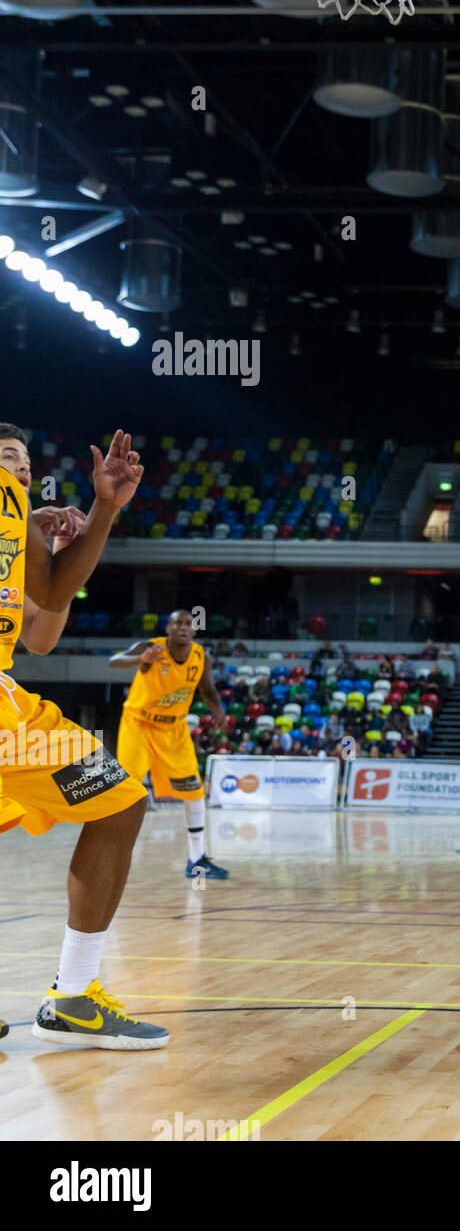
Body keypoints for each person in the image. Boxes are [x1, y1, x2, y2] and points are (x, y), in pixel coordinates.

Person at [0, 426, 169, 1050]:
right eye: (4, 457)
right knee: (123, 803)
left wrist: (99, 510)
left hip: (8, 705)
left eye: (20, 460)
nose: (15, 468)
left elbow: (44, 621)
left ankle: (73, 997)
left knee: (120, 802)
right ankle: (71, 996)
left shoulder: (16, 520)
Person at [110, 609, 233, 880]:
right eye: (177, 622)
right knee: (125, 792)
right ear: (168, 628)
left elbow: (208, 690)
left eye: (188, 624)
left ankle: (196, 859)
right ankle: (111, 853)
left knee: (194, 792)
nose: (183, 627)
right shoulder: (151, 647)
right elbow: (114, 661)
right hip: (139, 726)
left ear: (194, 630)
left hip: (174, 729)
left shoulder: (202, 656)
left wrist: (219, 710)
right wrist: (139, 658)